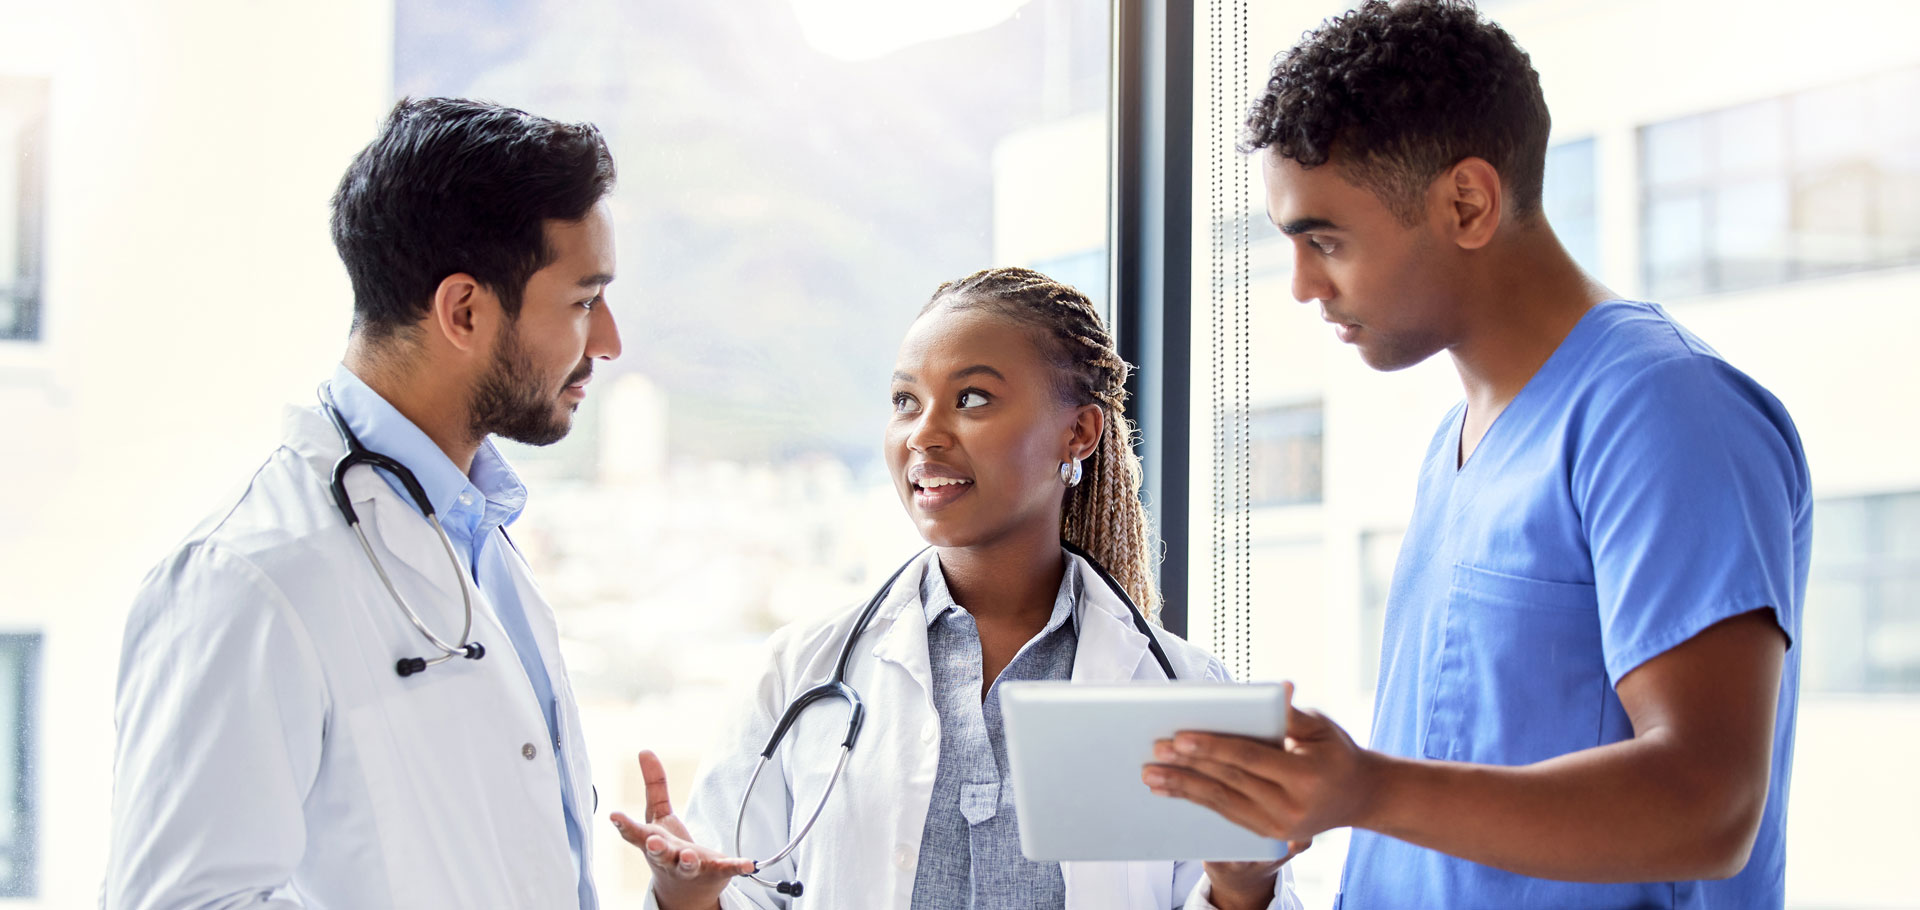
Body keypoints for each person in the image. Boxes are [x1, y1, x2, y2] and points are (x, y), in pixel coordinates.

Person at [1143, 2, 1812, 908]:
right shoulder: (1453, 449)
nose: (1303, 286)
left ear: (1467, 202)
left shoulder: (1664, 412)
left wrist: (1366, 789)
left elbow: (1709, 806)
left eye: (1325, 240)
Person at [609, 267, 1304, 910]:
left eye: (972, 398)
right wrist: (684, 898)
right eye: (905, 401)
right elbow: (741, 890)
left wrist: (1245, 888)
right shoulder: (800, 672)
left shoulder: (1179, 689)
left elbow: (1236, 890)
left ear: (1080, 432)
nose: (924, 433)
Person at [104, 97, 622, 909]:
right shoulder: (246, 578)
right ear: (464, 311)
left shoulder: (476, 535)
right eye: (584, 302)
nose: (610, 342)